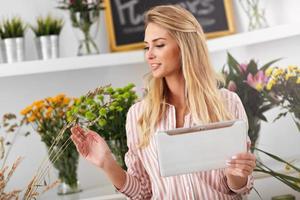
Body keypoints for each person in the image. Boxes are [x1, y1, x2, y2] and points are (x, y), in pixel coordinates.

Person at [70, 5, 256, 200]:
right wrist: (107, 163)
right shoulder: (139, 115)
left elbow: (239, 187)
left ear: (185, 46)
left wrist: (238, 175)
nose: (149, 54)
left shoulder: (226, 102)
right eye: (146, 46)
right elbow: (143, 192)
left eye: (159, 45)